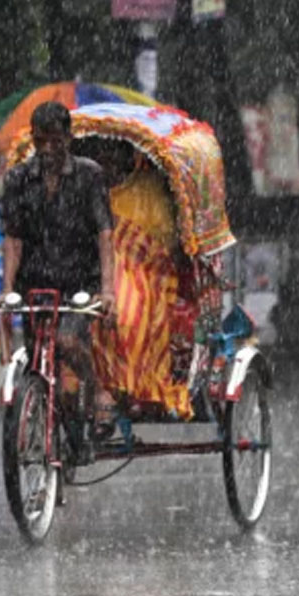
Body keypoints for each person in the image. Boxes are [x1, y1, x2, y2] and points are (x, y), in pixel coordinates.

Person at [0, 102, 117, 442]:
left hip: (79, 281)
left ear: (69, 137)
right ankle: (53, 436)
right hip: (36, 282)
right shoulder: (19, 178)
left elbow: (104, 234)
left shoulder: (89, 175)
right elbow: (14, 237)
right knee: (38, 360)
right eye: (40, 142)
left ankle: (96, 390)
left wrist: (107, 290)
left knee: (65, 340)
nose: (48, 150)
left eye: (55, 141)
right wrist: (7, 288)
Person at [78, 138, 192, 419]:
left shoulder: (148, 189)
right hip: (94, 268)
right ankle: (96, 388)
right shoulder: (85, 189)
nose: (107, 161)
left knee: (127, 314)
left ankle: (132, 385)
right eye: (100, 154)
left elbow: (166, 244)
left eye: (113, 154)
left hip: (146, 272)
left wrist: (129, 248)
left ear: (126, 156)